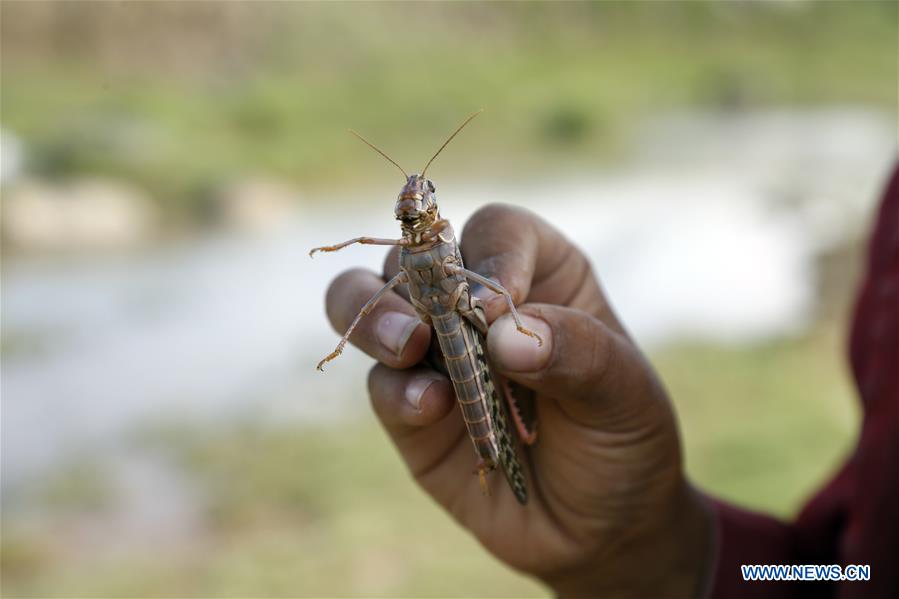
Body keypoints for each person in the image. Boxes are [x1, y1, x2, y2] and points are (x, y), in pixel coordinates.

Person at [322, 164, 898, 598]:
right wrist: (645, 552)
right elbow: (849, 570)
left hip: (467, 336)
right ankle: (497, 450)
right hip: (454, 353)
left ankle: (497, 442)